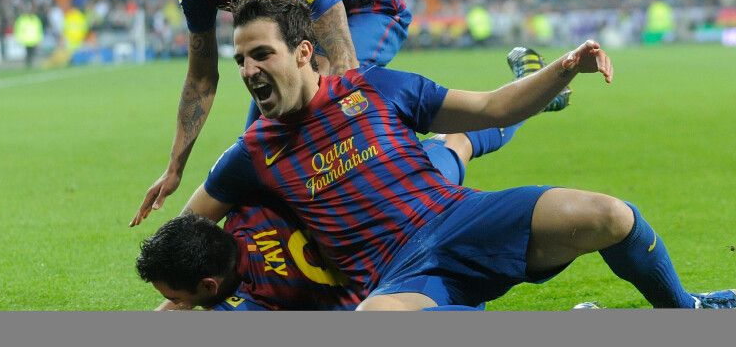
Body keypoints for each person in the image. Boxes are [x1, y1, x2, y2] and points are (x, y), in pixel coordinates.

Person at [178, 0, 736, 310]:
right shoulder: (252, 152)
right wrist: (171, 302)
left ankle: (691, 312)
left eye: (261, 55)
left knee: (611, 216)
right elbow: (185, 237)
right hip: (398, 275)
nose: (248, 71)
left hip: (459, 216)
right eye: (241, 59)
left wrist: (564, 69)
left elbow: (492, 107)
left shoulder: (376, 89)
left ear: (304, 53)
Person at [130, 0, 566, 226]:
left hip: (369, 9)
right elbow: (202, 78)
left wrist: (356, 169)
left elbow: (343, 67)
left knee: (289, 132)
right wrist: (175, 168)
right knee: (264, 145)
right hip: (304, 26)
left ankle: (528, 95)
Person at [138, 136, 482, 311]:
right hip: (386, 201)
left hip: (408, 269)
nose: (172, 304)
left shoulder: (256, 304)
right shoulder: (248, 210)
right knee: (456, 143)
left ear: (210, 286)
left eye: (173, 297)